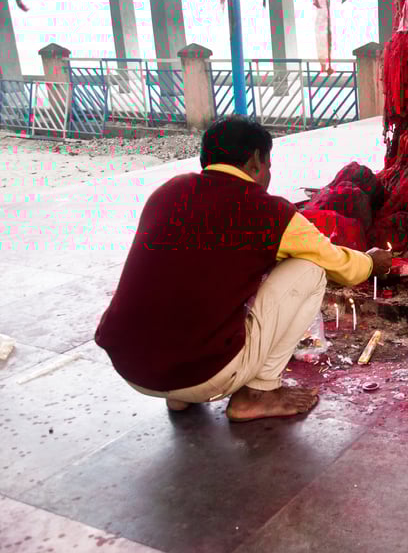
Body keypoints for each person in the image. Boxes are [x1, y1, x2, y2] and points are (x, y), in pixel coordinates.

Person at [95, 116, 392, 422]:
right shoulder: (268, 211)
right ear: (254, 162)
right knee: (310, 270)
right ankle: (258, 394)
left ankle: (179, 397)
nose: (269, 173)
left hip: (130, 366)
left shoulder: (169, 192)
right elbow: (340, 266)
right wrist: (371, 262)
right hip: (203, 373)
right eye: (269, 164)